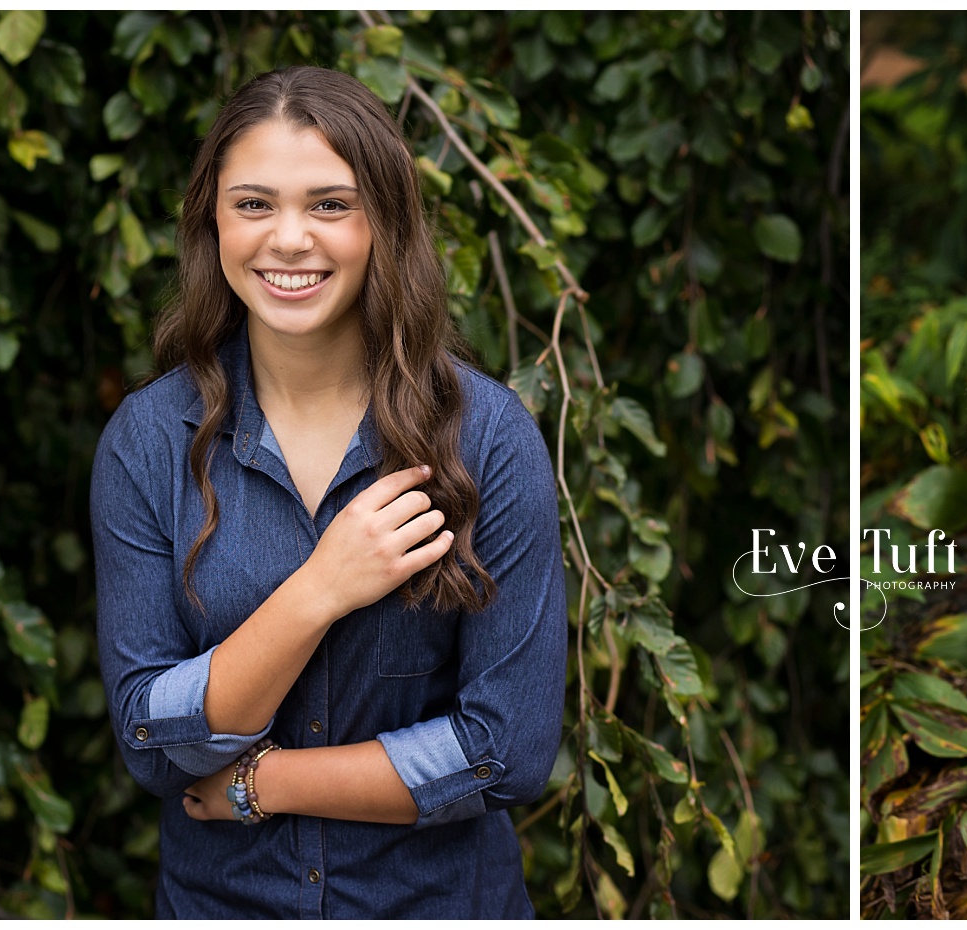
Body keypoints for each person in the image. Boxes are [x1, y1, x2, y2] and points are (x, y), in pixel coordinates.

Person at [90, 66, 566, 918]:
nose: (289, 239)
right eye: (254, 204)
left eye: (330, 205)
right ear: (212, 222)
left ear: (383, 221)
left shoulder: (486, 438)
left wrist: (260, 781)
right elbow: (152, 741)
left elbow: (506, 750)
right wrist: (320, 590)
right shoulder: (149, 440)